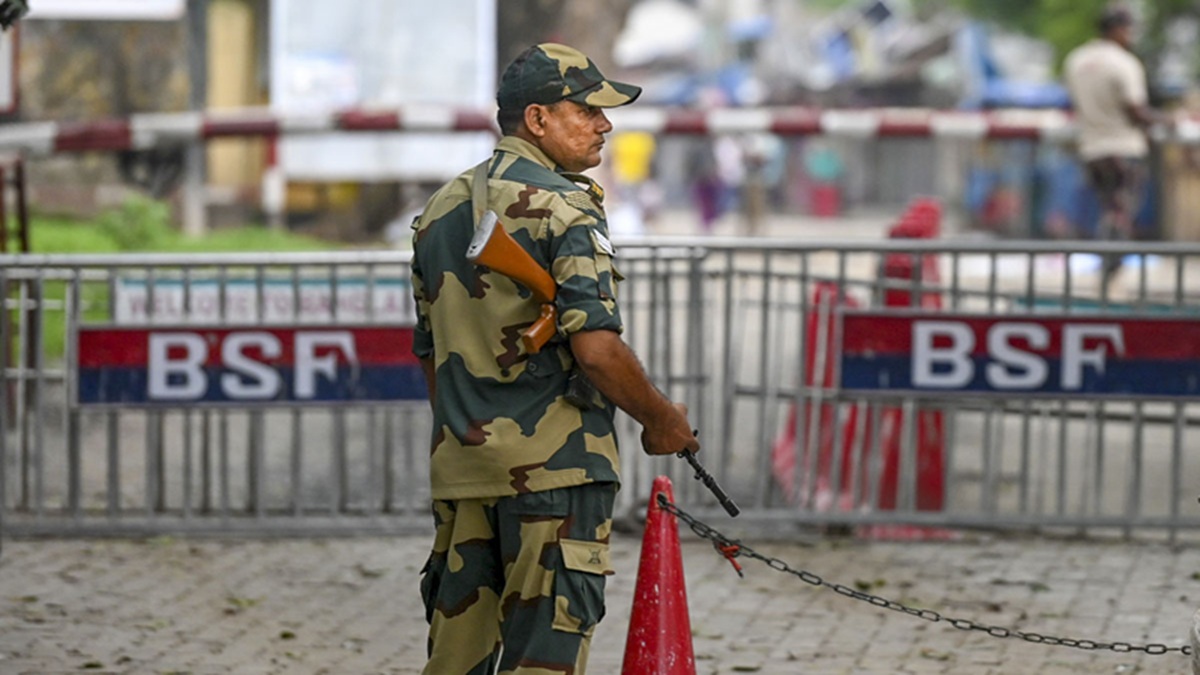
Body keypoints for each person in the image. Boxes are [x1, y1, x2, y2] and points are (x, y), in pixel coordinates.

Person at [409, 43, 699, 674]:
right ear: (537, 120)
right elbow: (596, 350)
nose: (604, 124)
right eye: (587, 110)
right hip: (554, 476)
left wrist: (473, 430)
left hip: (464, 467)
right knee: (544, 658)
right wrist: (660, 418)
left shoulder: (441, 210)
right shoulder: (566, 208)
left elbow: (431, 354)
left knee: (455, 662)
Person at [1063, 6, 1162, 283]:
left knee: (1108, 207)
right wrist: (1168, 120)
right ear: (1117, 29)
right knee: (1120, 212)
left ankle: (1107, 267)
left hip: (1091, 148)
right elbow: (1136, 110)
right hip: (1122, 147)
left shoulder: (1076, 59)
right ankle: (1110, 267)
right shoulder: (1123, 62)